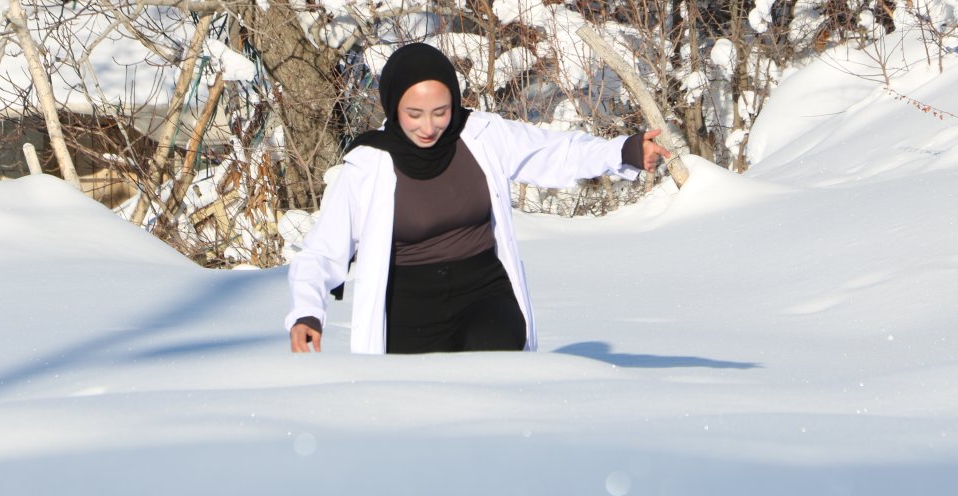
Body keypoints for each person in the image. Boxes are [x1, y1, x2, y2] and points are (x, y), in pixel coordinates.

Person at [286, 42, 671, 354]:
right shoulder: (368, 165)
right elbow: (322, 252)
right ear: (392, 106)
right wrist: (307, 313)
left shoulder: (481, 135)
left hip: (483, 292)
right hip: (409, 307)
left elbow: (555, 151)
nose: (429, 126)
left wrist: (623, 152)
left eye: (440, 111)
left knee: (496, 373)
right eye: (414, 114)